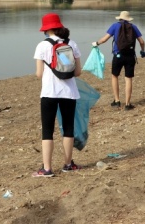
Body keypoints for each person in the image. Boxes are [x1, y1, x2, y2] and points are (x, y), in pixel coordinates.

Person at [33, 13, 82, 177]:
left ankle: (46, 169)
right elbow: (78, 72)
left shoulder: (42, 46)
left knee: (47, 130)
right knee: (68, 128)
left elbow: (39, 74)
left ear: (46, 30)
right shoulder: (72, 44)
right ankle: (68, 164)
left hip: (49, 92)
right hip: (69, 92)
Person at [92, 11, 145, 110]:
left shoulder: (114, 26)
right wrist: (142, 51)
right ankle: (127, 104)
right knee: (128, 78)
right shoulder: (133, 27)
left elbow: (104, 39)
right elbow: (142, 41)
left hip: (118, 55)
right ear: (128, 19)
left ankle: (117, 101)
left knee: (114, 76)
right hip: (130, 56)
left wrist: (96, 43)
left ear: (120, 18)